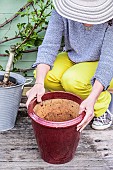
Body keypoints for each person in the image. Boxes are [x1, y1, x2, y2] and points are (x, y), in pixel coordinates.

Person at [26, 0, 113, 131]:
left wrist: (93, 98)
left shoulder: (110, 15)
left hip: (102, 64)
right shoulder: (62, 9)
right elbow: (49, 45)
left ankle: (102, 105)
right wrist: (38, 84)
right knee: (45, 75)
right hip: (73, 56)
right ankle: (75, 100)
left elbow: (108, 59)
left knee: (72, 80)